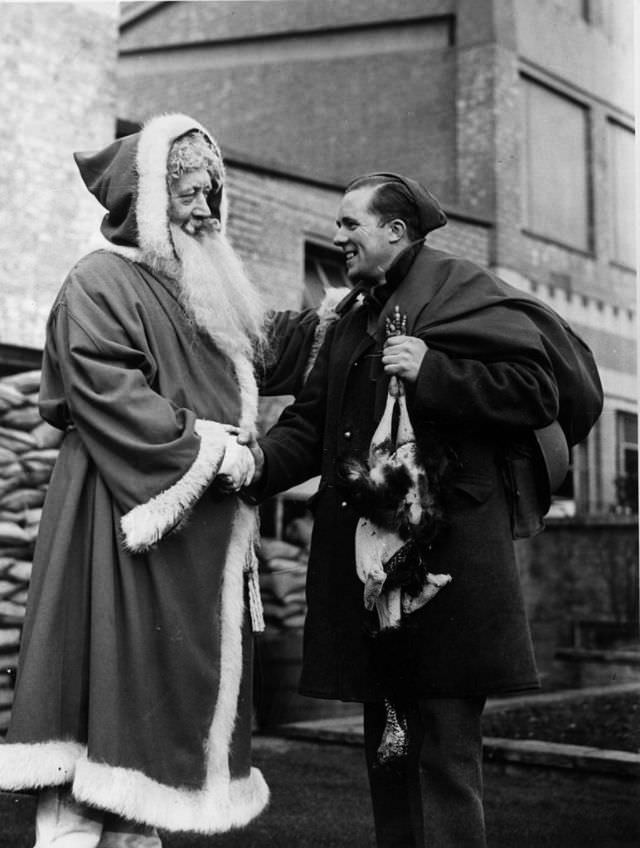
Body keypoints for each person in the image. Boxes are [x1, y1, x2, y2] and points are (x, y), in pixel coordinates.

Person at [246, 172, 604, 847]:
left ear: (396, 231)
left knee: (443, 756)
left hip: (452, 578)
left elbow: (536, 391)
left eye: (352, 223)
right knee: (391, 750)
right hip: (377, 576)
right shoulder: (353, 318)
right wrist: (254, 466)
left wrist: (433, 370)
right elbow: (311, 423)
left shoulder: (457, 289)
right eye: (338, 223)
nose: (338, 235)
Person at [0, 113, 320, 846]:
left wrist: (347, 319)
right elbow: (102, 388)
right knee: (84, 783)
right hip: (115, 527)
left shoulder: (203, 295)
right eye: (188, 195)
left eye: (212, 192)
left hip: (187, 551)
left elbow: (268, 348)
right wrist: (205, 447)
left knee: (144, 795)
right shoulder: (99, 280)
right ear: (143, 202)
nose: (207, 209)